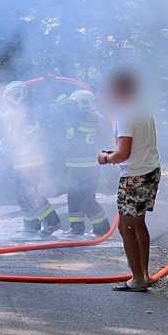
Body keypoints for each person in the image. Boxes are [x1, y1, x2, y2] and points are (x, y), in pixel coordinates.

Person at [97, 67, 160, 292]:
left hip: (135, 176)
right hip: (150, 171)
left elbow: (123, 154)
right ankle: (145, 274)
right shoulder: (143, 109)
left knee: (126, 227)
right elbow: (136, 145)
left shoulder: (125, 114)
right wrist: (115, 154)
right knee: (139, 223)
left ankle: (137, 280)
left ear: (122, 89)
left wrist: (105, 158)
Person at [0, 81, 62, 238]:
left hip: (30, 160)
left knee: (30, 193)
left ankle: (52, 221)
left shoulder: (25, 111)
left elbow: (16, 136)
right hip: (22, 160)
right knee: (22, 194)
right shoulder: (23, 109)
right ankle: (31, 227)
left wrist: (2, 145)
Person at [58, 90, 110, 239]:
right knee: (75, 197)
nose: (71, 106)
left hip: (84, 168)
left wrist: (57, 90)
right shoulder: (89, 117)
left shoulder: (80, 118)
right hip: (85, 167)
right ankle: (77, 228)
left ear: (81, 105)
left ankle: (101, 228)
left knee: (85, 199)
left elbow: (64, 106)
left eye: (74, 103)